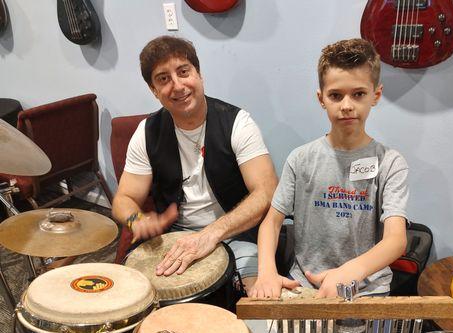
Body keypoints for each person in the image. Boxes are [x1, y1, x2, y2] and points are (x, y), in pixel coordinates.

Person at [112, 36, 278, 293]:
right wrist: (136, 219)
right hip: (172, 239)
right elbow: (124, 197)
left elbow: (266, 192)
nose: (177, 86)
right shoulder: (146, 132)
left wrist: (211, 234)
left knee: (255, 298)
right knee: (128, 296)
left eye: (183, 72)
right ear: (154, 90)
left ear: (199, 74)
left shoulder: (238, 123)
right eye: (163, 79)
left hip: (233, 236)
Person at [250, 38, 408, 299]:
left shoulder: (391, 163)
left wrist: (348, 272)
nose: (346, 105)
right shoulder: (300, 159)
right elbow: (272, 222)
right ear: (321, 98)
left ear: (375, 95)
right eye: (336, 95)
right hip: (305, 283)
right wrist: (266, 271)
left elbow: (396, 239)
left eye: (358, 94)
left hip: (367, 289)